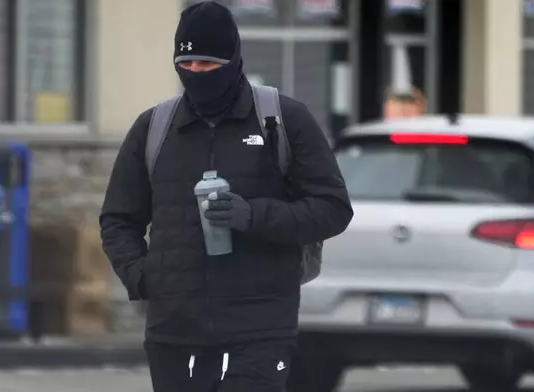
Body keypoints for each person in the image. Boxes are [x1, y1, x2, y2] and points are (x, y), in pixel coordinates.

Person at [99, 2, 353, 391]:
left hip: (260, 329)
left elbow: (333, 208)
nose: (197, 74)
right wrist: (142, 276)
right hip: (175, 331)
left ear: (233, 60)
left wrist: (252, 216)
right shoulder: (154, 128)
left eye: (209, 65)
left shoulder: (283, 119)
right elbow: (118, 218)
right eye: (187, 65)